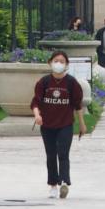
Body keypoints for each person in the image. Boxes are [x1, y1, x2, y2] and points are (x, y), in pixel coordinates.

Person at [32, 51, 85, 199]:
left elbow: (78, 105)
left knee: (63, 153)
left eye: (62, 61)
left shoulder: (71, 83)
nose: (59, 64)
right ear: (50, 62)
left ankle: (64, 182)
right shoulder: (43, 82)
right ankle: (53, 184)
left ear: (67, 65)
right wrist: (37, 115)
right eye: (56, 61)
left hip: (65, 124)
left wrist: (82, 124)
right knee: (50, 155)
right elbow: (36, 102)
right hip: (47, 124)